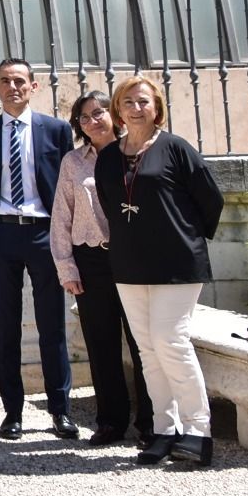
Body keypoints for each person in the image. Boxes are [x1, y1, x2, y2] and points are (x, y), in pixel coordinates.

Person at [94, 76, 223, 466]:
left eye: (143, 102)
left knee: (171, 342)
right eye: (128, 102)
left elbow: (210, 201)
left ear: (157, 108)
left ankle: (198, 432)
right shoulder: (108, 157)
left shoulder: (176, 149)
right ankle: (164, 431)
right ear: (118, 109)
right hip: (129, 264)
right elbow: (109, 204)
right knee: (148, 351)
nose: (136, 108)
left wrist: (180, 236)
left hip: (176, 264)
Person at [0, 58, 78, 441]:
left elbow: (68, 188)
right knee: (6, 327)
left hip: (44, 235)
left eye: (19, 81)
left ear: (33, 86)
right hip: (0, 236)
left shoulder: (56, 130)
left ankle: (60, 411)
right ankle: (12, 412)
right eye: (4, 81)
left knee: (52, 327)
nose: (12, 87)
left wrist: (65, 237)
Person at [50, 90, 153, 447]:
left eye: (98, 113)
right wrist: (66, 266)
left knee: (143, 343)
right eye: (84, 117)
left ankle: (151, 423)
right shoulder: (73, 163)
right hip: (91, 259)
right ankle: (111, 421)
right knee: (101, 342)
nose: (93, 121)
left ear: (114, 115)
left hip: (134, 258)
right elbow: (61, 217)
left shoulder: (137, 152)